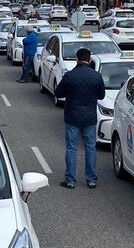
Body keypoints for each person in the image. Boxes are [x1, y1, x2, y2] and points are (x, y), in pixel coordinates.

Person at [55, 48, 105, 189]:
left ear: (77, 59)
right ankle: (91, 180)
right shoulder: (97, 76)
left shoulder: (70, 76)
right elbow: (101, 96)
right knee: (90, 148)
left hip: (72, 117)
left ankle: (70, 180)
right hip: (90, 118)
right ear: (89, 60)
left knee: (71, 149)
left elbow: (58, 93)